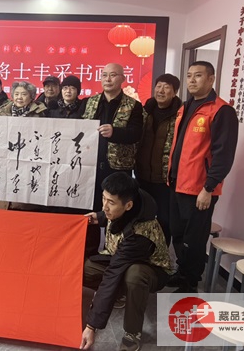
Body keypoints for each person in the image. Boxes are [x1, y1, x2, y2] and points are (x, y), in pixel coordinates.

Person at [167, 61, 239, 293]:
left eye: (198, 75)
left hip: (200, 190)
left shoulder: (221, 111)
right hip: (178, 184)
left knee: (194, 239)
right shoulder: (185, 107)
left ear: (211, 79)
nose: (192, 80)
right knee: (178, 234)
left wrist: (209, 188)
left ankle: (190, 283)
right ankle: (182, 272)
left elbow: (223, 155)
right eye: (189, 76)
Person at [80, 172, 171, 350]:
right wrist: (98, 217)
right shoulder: (127, 202)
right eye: (103, 198)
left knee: (134, 275)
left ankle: (132, 332)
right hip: (120, 257)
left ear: (128, 205)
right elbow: (112, 213)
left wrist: (91, 326)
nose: (105, 206)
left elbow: (113, 272)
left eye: (110, 202)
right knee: (86, 269)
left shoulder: (139, 235)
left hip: (151, 269)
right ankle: (120, 294)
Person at [82, 63, 143, 255]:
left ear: (122, 79)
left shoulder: (133, 105)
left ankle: (115, 253)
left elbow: (136, 134)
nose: (108, 79)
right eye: (104, 75)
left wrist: (115, 132)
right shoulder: (90, 102)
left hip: (117, 168)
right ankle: (89, 254)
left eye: (113, 75)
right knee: (91, 211)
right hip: (90, 167)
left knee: (116, 210)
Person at [134, 73, 182, 245]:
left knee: (164, 220)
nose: (161, 90)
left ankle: (162, 254)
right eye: (158, 86)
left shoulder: (180, 116)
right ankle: (140, 252)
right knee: (140, 217)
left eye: (166, 87)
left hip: (165, 180)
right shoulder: (144, 112)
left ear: (174, 92)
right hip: (142, 175)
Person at [0, 81, 47, 211]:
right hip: (6, 156)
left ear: (31, 96)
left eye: (24, 94)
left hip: (28, 159)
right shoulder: (3, 110)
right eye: (16, 94)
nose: (19, 97)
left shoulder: (40, 112)